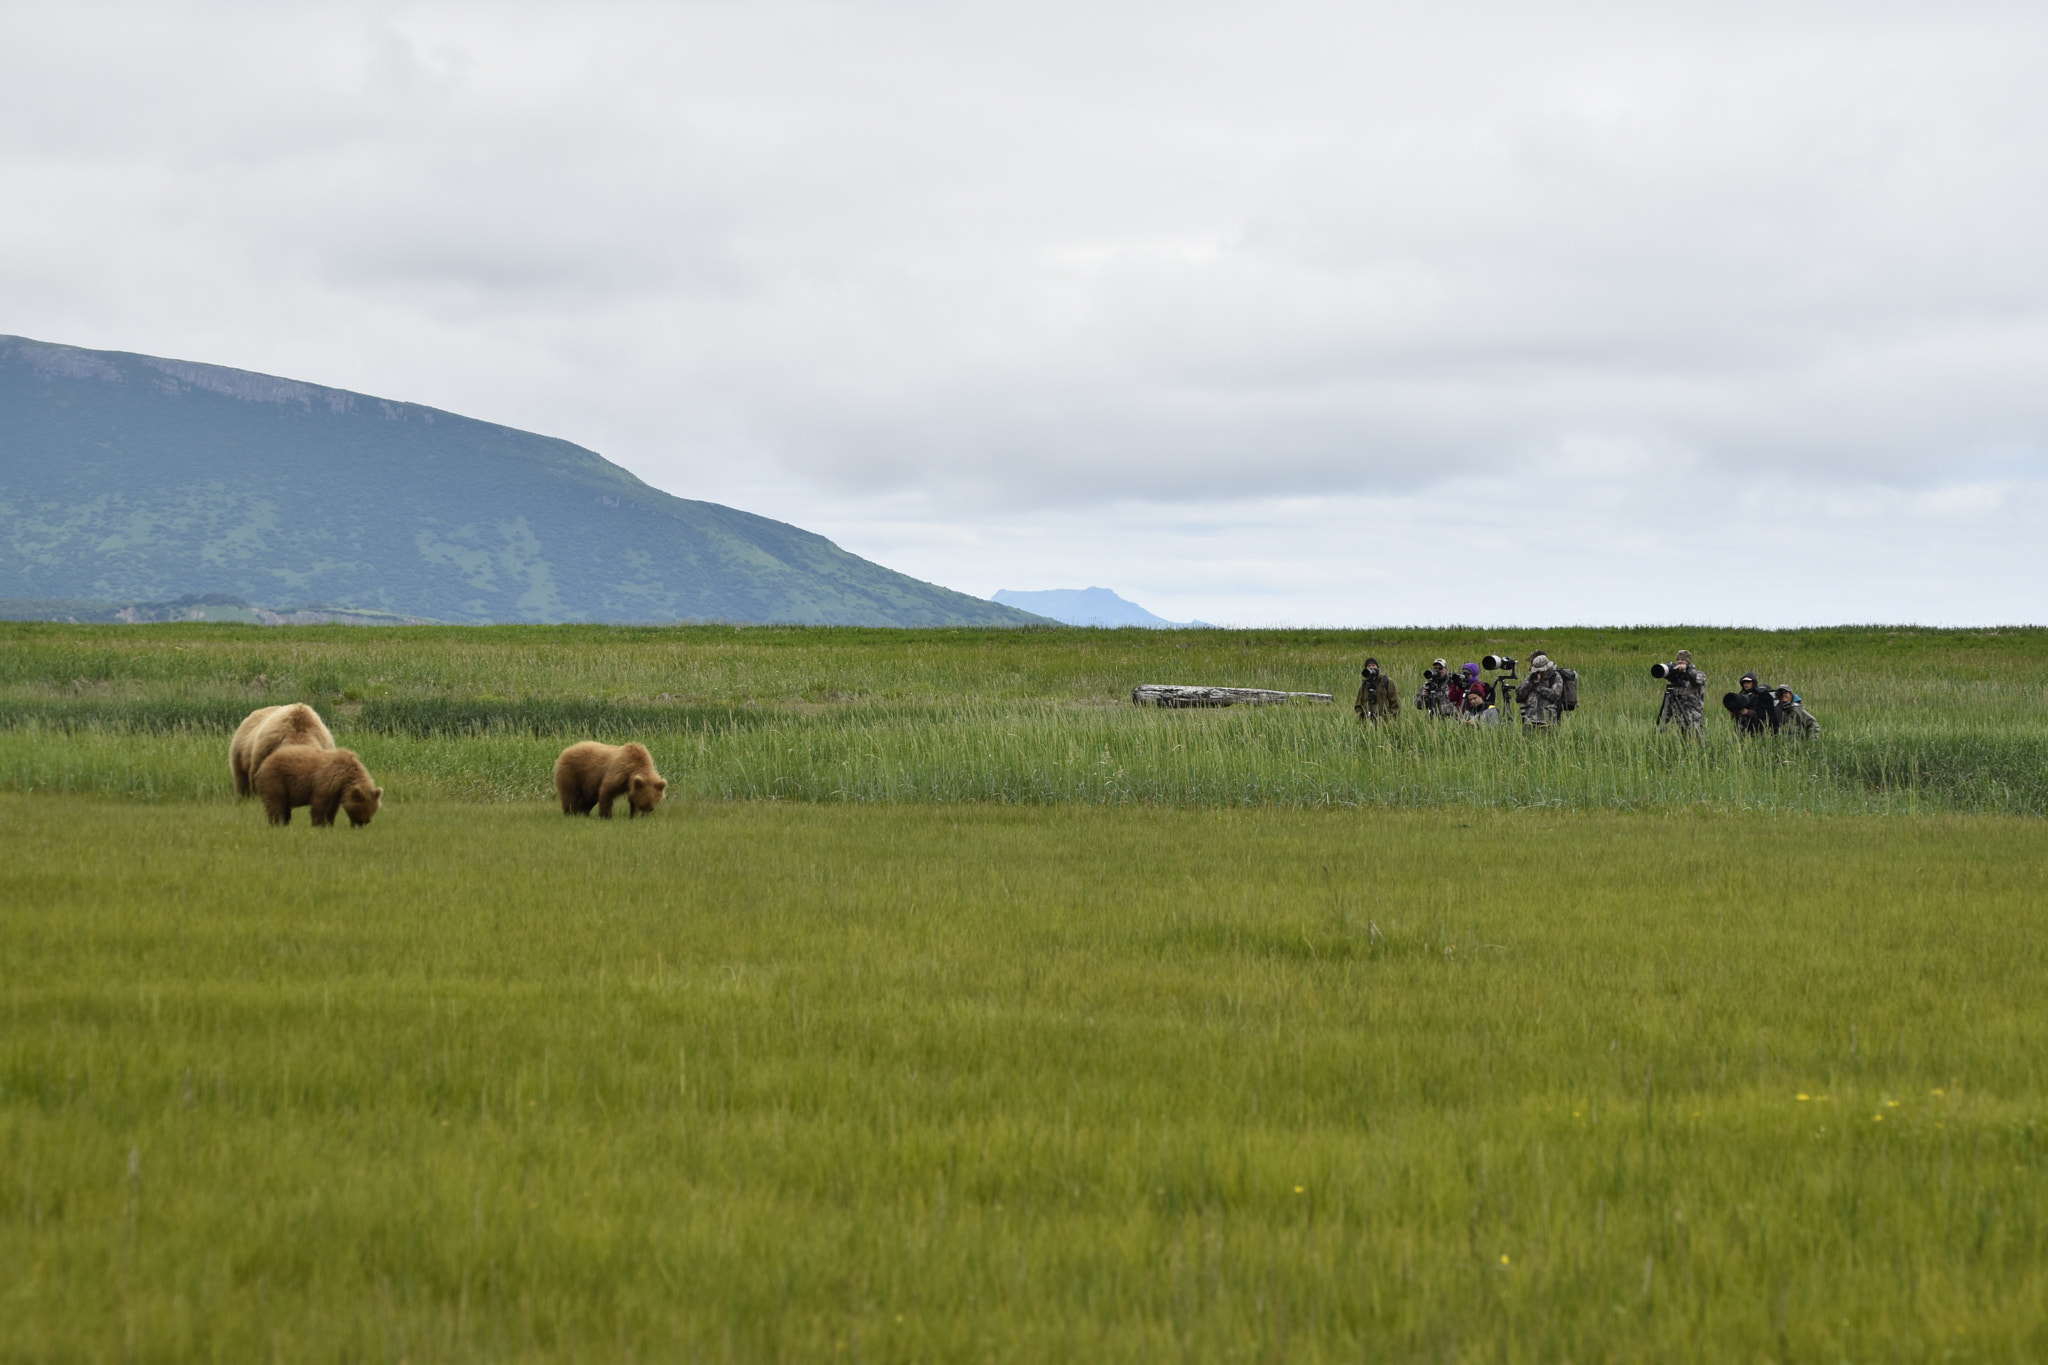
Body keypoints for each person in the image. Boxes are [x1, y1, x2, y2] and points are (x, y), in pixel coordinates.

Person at [1655, 649, 1707, 739]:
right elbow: (1670, 701)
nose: (1679, 662)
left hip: (1693, 716)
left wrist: (1687, 670)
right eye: (1678, 659)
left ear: (1688, 661)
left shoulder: (1699, 674)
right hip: (1679, 717)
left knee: (1697, 739)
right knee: (1684, 740)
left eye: (1682, 660)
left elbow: (1697, 681)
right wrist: (1664, 721)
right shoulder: (1676, 678)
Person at [1515, 652, 1569, 728]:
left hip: (1547, 720)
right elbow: (1519, 694)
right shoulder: (1531, 676)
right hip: (1529, 719)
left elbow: (1555, 695)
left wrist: (1538, 687)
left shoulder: (1555, 676)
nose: (1538, 672)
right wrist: (1531, 683)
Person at [1355, 657, 1399, 722]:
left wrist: (1391, 721)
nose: (1371, 667)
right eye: (1368, 666)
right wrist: (1361, 722)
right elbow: (1358, 705)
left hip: (1385, 721)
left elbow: (1396, 703)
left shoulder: (1387, 682)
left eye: (1373, 665)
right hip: (1368, 723)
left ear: (1378, 667)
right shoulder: (1364, 686)